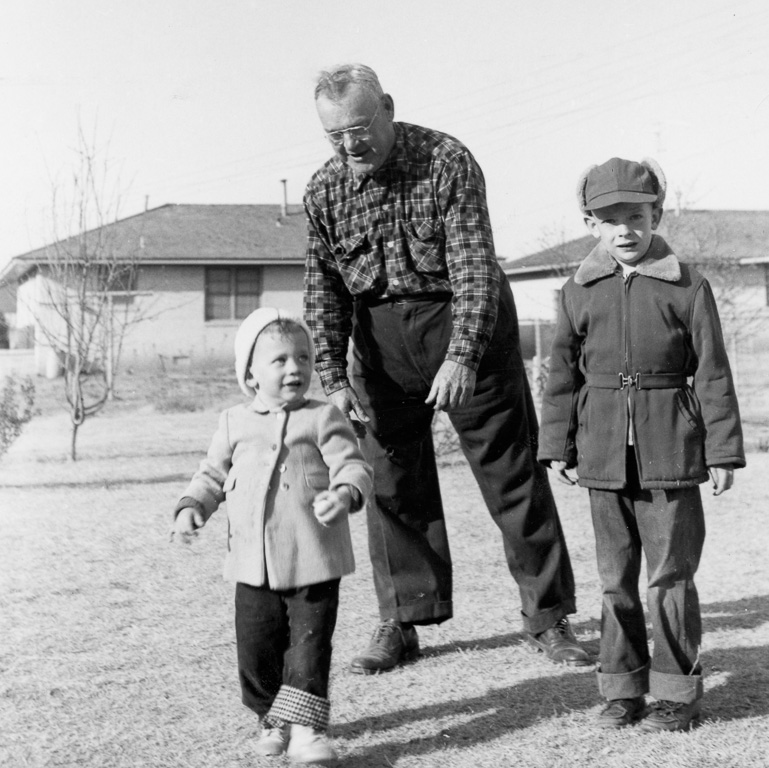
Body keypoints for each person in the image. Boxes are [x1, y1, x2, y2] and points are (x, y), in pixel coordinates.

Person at [303, 62, 590, 675]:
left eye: (359, 127)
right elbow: (323, 289)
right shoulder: (323, 190)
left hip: (465, 322)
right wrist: (333, 378)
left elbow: (474, 268)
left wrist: (462, 354)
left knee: (512, 473)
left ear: (387, 106)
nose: (351, 144)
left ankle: (548, 617)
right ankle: (402, 621)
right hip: (378, 339)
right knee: (391, 482)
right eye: (335, 136)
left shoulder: (446, 160)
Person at [538, 157, 745, 732]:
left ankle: (677, 693)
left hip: (671, 452)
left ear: (656, 214)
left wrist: (723, 450)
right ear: (591, 224)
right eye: (611, 218)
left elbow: (713, 374)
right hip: (602, 454)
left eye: (637, 215)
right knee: (614, 579)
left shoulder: (688, 286)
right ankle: (622, 688)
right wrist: (558, 443)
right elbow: (560, 374)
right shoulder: (578, 291)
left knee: (669, 577)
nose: (625, 229)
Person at [171, 307, 373, 764]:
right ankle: (271, 718)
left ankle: (306, 731)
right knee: (256, 651)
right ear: (250, 372)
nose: (295, 368)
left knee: (308, 645)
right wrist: (191, 506)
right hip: (251, 563)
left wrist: (343, 493)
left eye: (302, 357)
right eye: (280, 360)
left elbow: (354, 465)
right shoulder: (233, 422)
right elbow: (210, 475)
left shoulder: (324, 417)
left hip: (313, 557)